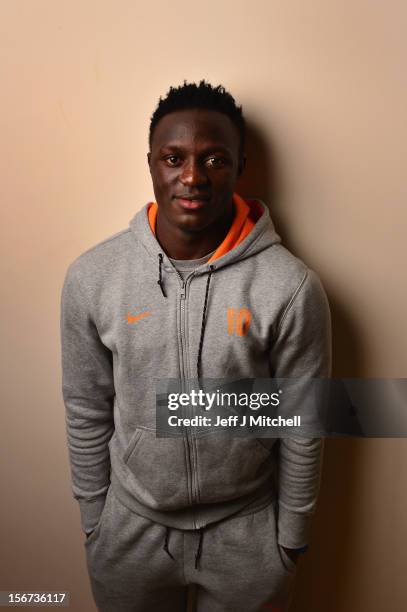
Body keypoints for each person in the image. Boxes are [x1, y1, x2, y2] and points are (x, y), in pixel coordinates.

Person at [60, 79, 332, 612]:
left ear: (239, 166)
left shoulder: (291, 287)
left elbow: (304, 418)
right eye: (173, 157)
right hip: (130, 532)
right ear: (151, 164)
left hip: (248, 535)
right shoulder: (93, 278)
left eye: (213, 160)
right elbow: (85, 407)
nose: (191, 176)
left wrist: (291, 538)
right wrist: (95, 519)